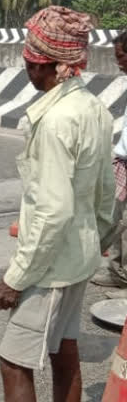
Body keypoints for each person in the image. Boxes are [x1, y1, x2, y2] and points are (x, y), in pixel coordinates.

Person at [0, 6, 115, 401]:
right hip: (78, 257)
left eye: (30, 60)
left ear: (45, 65)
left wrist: (16, 277)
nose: (27, 66)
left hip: (50, 267)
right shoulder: (94, 108)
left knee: (14, 361)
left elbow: (52, 210)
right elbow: (106, 193)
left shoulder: (57, 120)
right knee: (63, 349)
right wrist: (95, 243)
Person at [90, 30, 127, 294]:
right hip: (122, 159)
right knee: (112, 216)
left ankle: (121, 275)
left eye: (121, 56)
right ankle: (118, 271)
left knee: (116, 219)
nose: (118, 62)